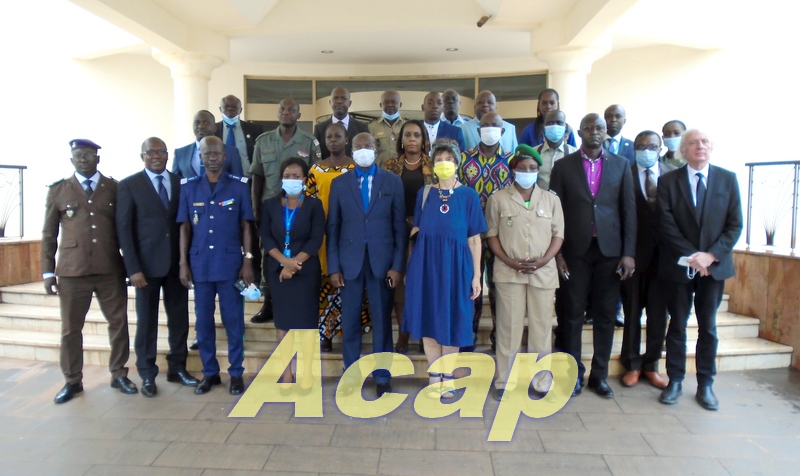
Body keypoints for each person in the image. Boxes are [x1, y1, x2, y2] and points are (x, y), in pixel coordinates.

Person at [42, 139, 136, 404]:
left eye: (88, 155)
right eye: (78, 155)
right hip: (73, 271)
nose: (83, 159)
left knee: (118, 324)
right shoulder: (59, 190)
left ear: (97, 158)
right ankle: (72, 381)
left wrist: (130, 267)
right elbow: (49, 234)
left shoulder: (114, 188)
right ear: (71, 159)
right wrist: (47, 272)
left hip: (109, 268)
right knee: (71, 329)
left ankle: (119, 374)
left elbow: (125, 229)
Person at [550, 113, 637, 398]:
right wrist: (558, 253)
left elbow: (628, 212)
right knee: (572, 313)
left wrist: (628, 253)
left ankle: (599, 375)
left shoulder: (622, 165)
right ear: (579, 132)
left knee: (605, 315)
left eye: (599, 127)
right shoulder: (563, 167)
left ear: (605, 132)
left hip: (610, 253)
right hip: (575, 251)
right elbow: (556, 213)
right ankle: (573, 374)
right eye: (588, 128)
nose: (594, 132)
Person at [657, 129, 742, 411]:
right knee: (677, 325)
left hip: (714, 269)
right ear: (683, 150)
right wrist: (694, 257)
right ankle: (675, 381)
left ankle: (705, 384)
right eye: (693, 142)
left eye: (704, 142)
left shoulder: (727, 180)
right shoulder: (668, 181)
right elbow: (666, 224)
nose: (699, 146)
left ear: (711, 148)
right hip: (681, 267)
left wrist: (710, 256)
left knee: (709, 327)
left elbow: (734, 225)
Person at [116, 137, 199, 397]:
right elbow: (124, 230)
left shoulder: (179, 182)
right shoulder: (129, 185)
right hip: (145, 269)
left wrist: (188, 262)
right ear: (142, 155)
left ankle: (177, 368)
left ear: (167, 155)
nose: (156, 156)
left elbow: (186, 225)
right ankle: (148, 374)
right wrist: (133, 269)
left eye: (161, 151)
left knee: (179, 320)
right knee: (147, 323)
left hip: (177, 266)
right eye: (150, 152)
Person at [403, 139, 486, 399]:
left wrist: (477, 275)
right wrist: (409, 267)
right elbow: (415, 232)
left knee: (453, 319)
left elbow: (474, 239)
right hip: (425, 265)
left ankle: (448, 377)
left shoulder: (469, 196)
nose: (443, 164)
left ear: (457, 164)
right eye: (438, 160)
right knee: (428, 318)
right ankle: (434, 374)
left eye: (448, 160)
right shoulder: (425, 194)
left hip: (457, 267)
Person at [327, 132, 406, 397]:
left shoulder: (393, 182)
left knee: (382, 323)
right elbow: (333, 229)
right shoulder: (339, 184)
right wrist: (333, 267)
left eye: (368, 146)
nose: (363, 150)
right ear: (352, 150)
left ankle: (382, 376)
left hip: (382, 265)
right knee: (350, 321)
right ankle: (351, 374)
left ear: (376, 149)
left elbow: (398, 228)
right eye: (358, 146)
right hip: (349, 265)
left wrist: (397, 266)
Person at [177, 136, 255, 395]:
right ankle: (210, 373)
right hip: (200, 266)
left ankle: (235, 373)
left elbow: (246, 225)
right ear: (200, 157)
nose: (211, 157)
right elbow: (185, 228)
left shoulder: (239, 186)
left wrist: (248, 260)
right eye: (206, 153)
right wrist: (183, 263)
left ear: (224, 157)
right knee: (203, 323)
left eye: (216, 153)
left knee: (234, 321)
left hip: (230, 264)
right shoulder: (188, 188)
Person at [486, 145, 564, 401]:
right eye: (523, 168)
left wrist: (544, 260)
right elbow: (492, 235)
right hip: (509, 272)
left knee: (541, 329)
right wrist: (509, 260)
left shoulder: (552, 200)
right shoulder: (498, 199)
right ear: (513, 170)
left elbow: (558, 235)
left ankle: (540, 381)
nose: (528, 172)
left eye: (533, 168)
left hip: (543, 273)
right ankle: (504, 381)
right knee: (509, 328)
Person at [250, 98, 321, 324]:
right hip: (272, 210)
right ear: (277, 112)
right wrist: (255, 211)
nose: (286, 112)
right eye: (282, 109)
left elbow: (315, 177)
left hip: (300, 209)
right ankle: (268, 303)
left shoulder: (309, 141)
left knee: (300, 251)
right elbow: (257, 177)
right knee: (268, 256)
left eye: (292, 110)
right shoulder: (263, 141)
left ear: (299, 115)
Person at [306, 122, 372, 353]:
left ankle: (351, 331)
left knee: (351, 282)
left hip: (351, 235)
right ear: (324, 141)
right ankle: (326, 333)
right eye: (329, 136)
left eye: (338, 136)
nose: (333, 140)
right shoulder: (316, 169)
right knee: (327, 283)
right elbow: (309, 201)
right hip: (323, 234)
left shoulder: (357, 168)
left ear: (347, 140)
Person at [261, 157, 325, 391]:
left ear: (305, 179)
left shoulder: (314, 205)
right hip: (278, 271)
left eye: (297, 175)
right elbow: (267, 238)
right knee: (284, 324)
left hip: (306, 271)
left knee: (307, 325)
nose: (292, 179)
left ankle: (306, 374)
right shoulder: (269, 205)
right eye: (287, 175)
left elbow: (316, 238)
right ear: (281, 178)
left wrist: (294, 264)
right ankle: (287, 374)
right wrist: (284, 263)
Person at [618, 131, 674, 390]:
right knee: (631, 312)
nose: (646, 150)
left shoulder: (672, 175)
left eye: (652, 146)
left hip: (664, 259)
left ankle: (652, 365)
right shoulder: (623, 173)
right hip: (632, 257)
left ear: (660, 148)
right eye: (641, 146)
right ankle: (632, 364)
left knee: (657, 315)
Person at [459, 111, 514, 352]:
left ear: (502, 132)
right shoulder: (463, 159)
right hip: (470, 235)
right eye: (485, 125)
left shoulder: (513, 161)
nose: (490, 129)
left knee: (499, 288)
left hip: (500, 237)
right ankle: (468, 334)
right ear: (478, 129)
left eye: (495, 125)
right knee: (471, 286)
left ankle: (498, 336)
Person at [382, 119, 434, 353]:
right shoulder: (390, 166)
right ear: (401, 140)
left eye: (417, 135)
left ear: (424, 140)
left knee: (424, 283)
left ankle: (425, 335)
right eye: (407, 135)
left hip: (427, 233)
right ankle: (403, 334)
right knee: (399, 287)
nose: (412, 139)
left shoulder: (434, 166)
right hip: (396, 233)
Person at [172, 110, 243, 178]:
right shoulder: (180, 153)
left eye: (206, 123)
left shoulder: (231, 152)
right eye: (197, 122)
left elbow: (238, 182)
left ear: (215, 127)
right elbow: (175, 183)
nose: (200, 126)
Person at [314, 86, 369, 159]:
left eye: (344, 98)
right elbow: (316, 155)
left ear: (349, 103)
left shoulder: (361, 128)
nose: (339, 101)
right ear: (330, 102)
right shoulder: (319, 129)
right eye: (335, 98)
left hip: (355, 169)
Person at [216, 94, 265, 176]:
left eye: (234, 107)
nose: (230, 109)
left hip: (247, 180)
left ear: (241, 110)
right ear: (220, 109)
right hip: (220, 179)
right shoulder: (213, 130)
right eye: (226, 106)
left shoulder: (255, 130)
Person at [533, 110, 578, 190]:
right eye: (550, 123)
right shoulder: (533, 153)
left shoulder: (575, 153)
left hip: (565, 202)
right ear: (544, 127)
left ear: (565, 127)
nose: (554, 126)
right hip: (539, 201)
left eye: (559, 123)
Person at [368, 90, 406, 167]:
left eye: (394, 102)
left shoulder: (407, 126)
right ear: (380, 105)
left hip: (402, 173)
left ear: (400, 105)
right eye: (386, 102)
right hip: (379, 173)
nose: (390, 105)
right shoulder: (371, 127)